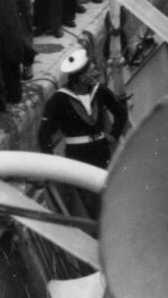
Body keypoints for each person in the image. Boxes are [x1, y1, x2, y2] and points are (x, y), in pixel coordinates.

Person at [37, 48, 127, 218]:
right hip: (77, 155)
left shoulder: (99, 91)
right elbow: (44, 134)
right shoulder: (59, 100)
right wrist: (49, 163)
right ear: (81, 77)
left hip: (101, 150)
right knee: (91, 200)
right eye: (91, 70)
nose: (96, 72)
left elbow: (120, 112)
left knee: (109, 194)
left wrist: (113, 134)